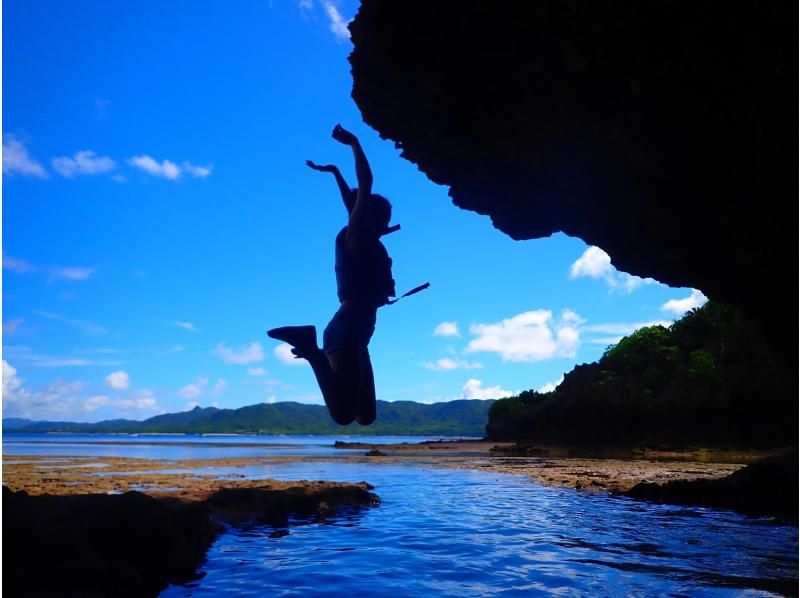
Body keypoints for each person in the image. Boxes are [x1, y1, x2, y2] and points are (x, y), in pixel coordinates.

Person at [268, 124, 395, 426]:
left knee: (366, 416)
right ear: (370, 218)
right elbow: (365, 185)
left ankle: (313, 347)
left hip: (360, 333)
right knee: (343, 415)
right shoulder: (356, 238)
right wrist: (353, 143)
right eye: (384, 217)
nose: (388, 223)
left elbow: (351, 201)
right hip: (346, 330)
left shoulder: (365, 243)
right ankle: (310, 348)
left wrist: (335, 172)